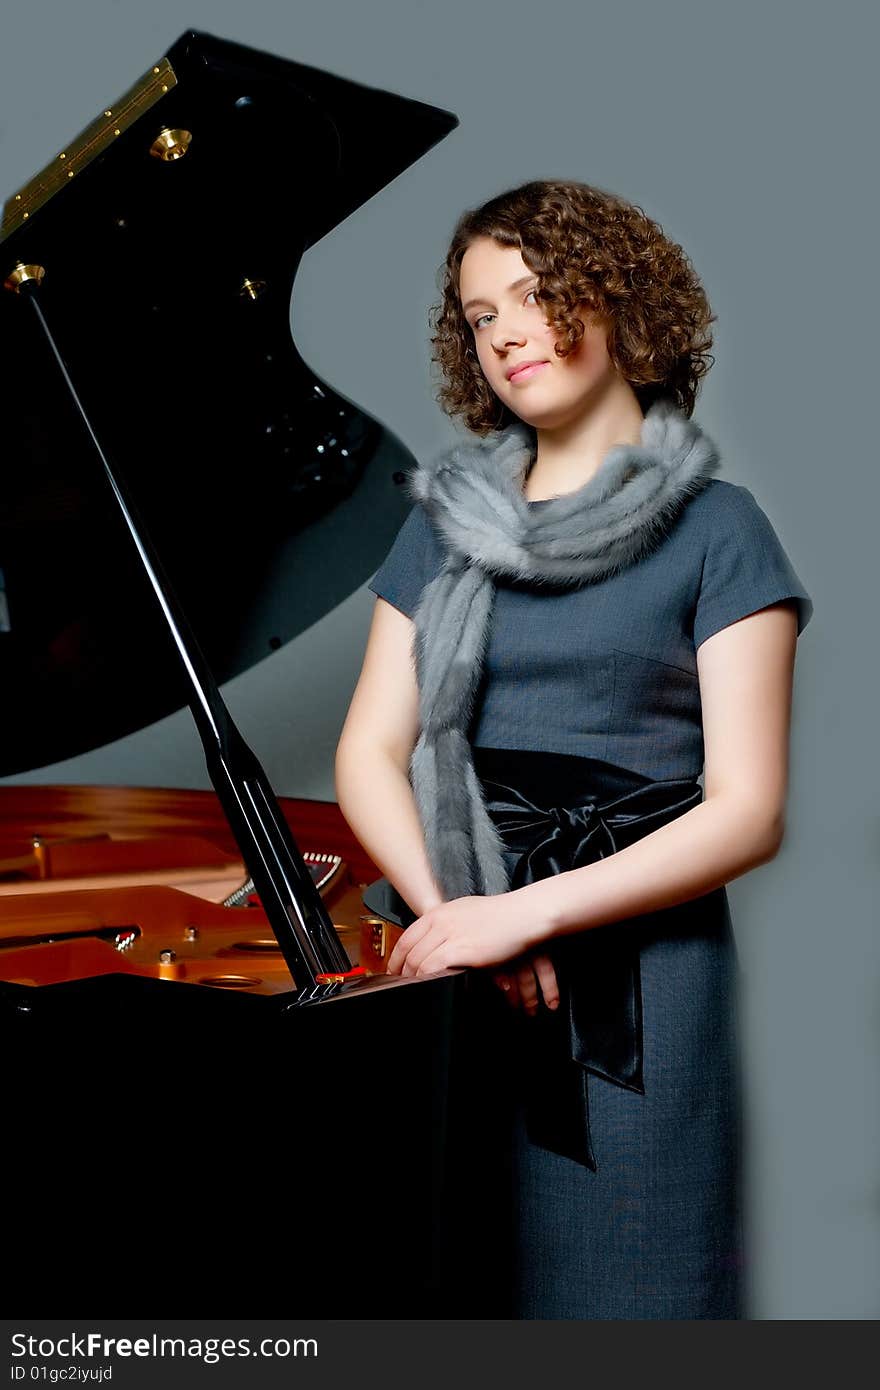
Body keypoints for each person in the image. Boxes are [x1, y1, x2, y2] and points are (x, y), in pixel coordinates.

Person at [334, 179, 813, 1319]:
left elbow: (748, 810)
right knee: (435, 1281)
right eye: (477, 314)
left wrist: (532, 914)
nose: (503, 333)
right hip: (450, 962)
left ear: (615, 296)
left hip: (635, 981)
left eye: (531, 294)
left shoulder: (721, 528)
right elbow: (366, 751)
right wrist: (463, 916)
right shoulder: (438, 520)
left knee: (623, 1290)